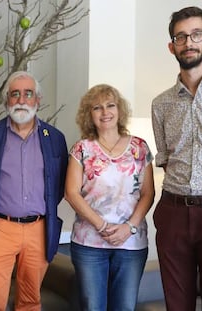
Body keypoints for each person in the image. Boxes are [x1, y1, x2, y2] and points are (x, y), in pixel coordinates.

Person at [151, 6, 202, 311]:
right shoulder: (161, 104)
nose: (189, 42)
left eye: (196, 34)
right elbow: (166, 158)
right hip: (173, 212)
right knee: (176, 305)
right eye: (181, 36)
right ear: (172, 46)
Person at [0, 71, 68, 311]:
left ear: (38, 100)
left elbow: (58, 184)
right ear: (7, 100)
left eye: (28, 94)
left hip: (39, 227)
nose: (22, 100)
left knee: (30, 300)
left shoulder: (55, 138)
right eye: (15, 94)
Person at [64, 84, 155, 311]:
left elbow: (148, 193)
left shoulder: (140, 148)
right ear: (89, 114)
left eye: (110, 105)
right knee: (93, 307)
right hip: (89, 243)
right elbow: (71, 193)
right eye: (97, 107)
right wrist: (102, 225)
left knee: (124, 307)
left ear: (120, 110)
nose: (105, 112)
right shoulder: (81, 149)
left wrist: (129, 227)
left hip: (131, 242)